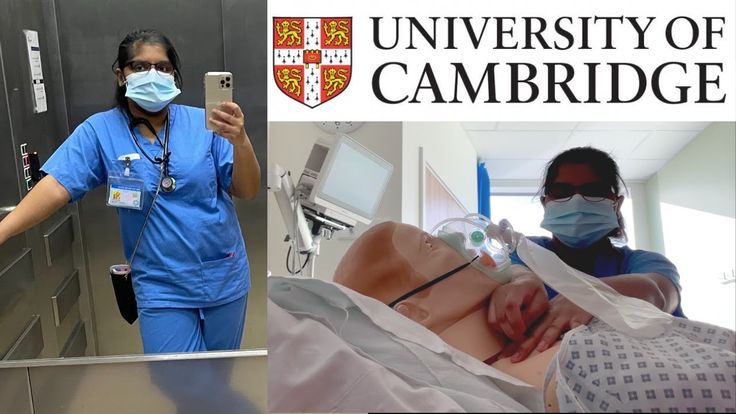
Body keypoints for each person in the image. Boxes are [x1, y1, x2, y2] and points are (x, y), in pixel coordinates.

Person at [0, 29, 261, 354]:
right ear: (121, 75)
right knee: (179, 382)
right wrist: (3, 231)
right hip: (160, 283)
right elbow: (55, 185)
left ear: (175, 75)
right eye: (140, 67)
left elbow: (247, 190)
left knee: (219, 376)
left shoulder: (205, 124)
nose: (152, 75)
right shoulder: (100, 131)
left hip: (223, 274)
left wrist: (242, 141)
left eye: (163, 67)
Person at [489, 146, 682, 363]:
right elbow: (516, 271)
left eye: (593, 192)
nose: (577, 202)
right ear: (546, 203)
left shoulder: (642, 262)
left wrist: (592, 296)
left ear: (616, 203)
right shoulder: (526, 252)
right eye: (562, 193)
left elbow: (659, 292)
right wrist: (518, 282)